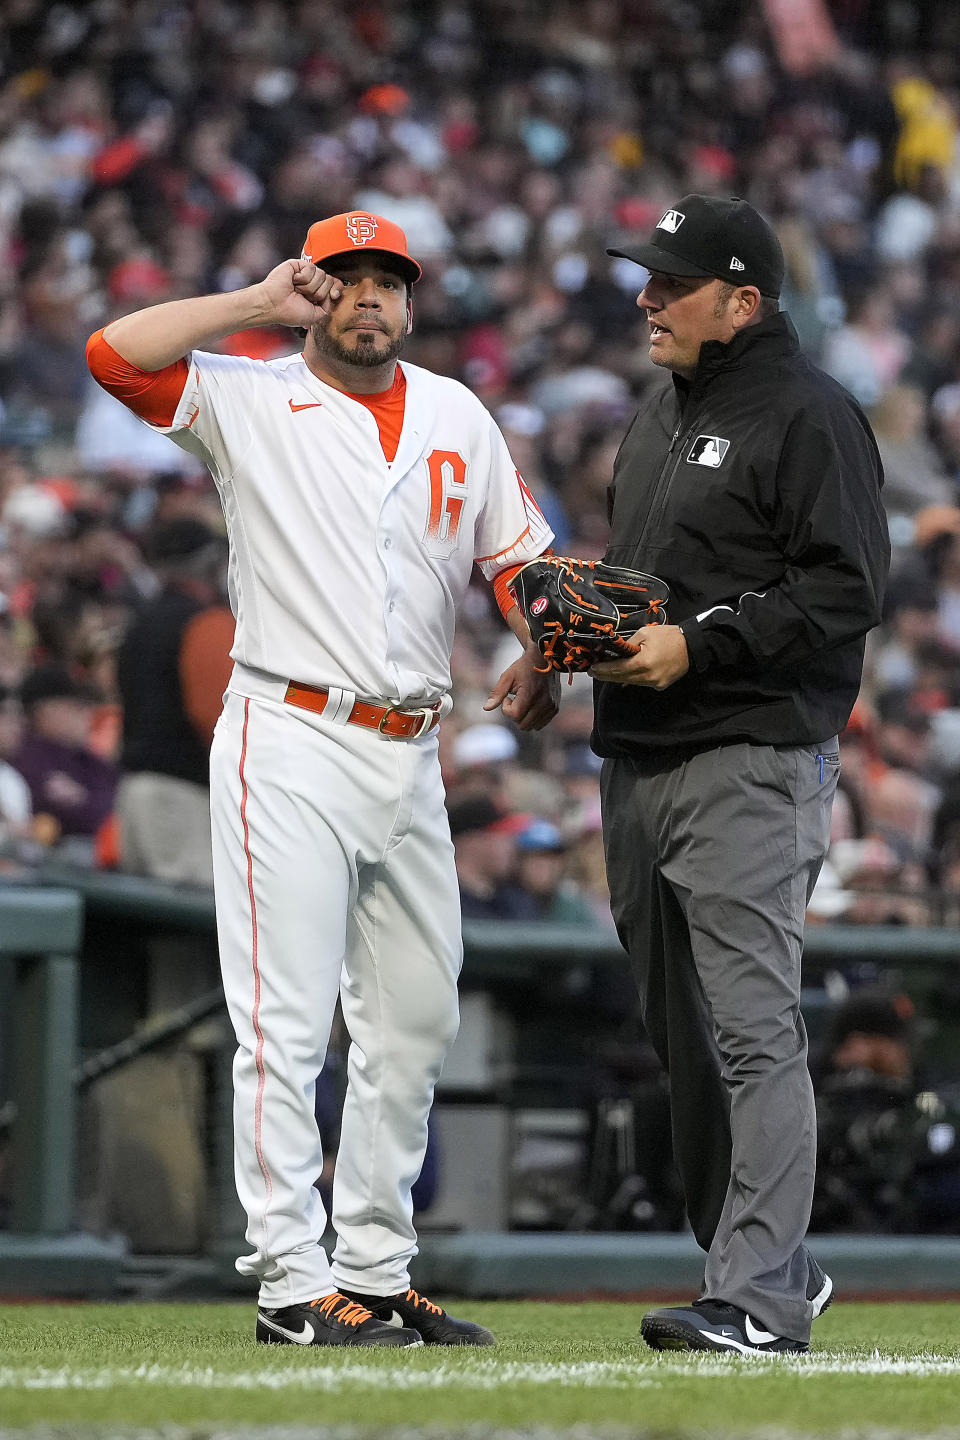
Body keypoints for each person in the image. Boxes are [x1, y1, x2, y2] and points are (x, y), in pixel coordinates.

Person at [86, 210, 559, 1348]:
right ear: (314, 290)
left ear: (409, 300)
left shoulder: (455, 410)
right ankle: (292, 1283)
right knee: (285, 1026)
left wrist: (545, 646)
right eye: (343, 280)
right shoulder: (247, 395)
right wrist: (253, 306)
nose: (366, 300)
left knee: (415, 1020)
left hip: (411, 751)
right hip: (288, 731)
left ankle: (378, 1270)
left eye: (385, 283)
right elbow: (115, 354)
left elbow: (523, 563)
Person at [590, 195, 890, 1355]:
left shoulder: (812, 415)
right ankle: (773, 1268)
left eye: (670, 282)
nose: (647, 298)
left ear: (744, 300)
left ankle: (757, 1295)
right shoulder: (659, 414)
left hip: (750, 758)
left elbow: (846, 589)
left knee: (755, 1031)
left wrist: (700, 643)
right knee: (688, 1044)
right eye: (646, 278)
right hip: (638, 756)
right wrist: (554, 656)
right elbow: (638, 583)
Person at [115, 516, 233, 887]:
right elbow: (214, 720)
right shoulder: (205, 622)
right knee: (190, 934)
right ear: (210, 563)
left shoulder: (141, 621)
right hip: (179, 797)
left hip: (134, 794)